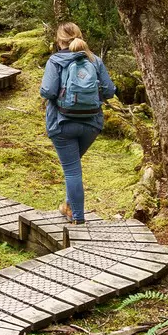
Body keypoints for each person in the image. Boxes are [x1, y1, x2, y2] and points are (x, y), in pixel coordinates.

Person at [40, 22, 114, 224]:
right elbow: (109, 90)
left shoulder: (55, 60)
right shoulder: (94, 60)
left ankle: (78, 217)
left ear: (59, 40)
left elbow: (47, 91)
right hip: (91, 124)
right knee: (72, 168)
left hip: (62, 124)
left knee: (72, 170)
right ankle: (67, 206)